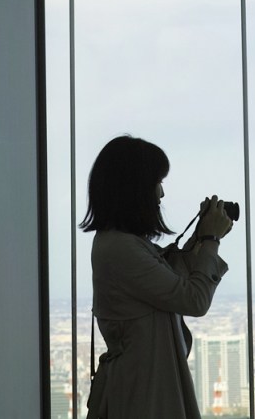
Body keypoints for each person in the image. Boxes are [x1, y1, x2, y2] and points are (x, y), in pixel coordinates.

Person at [82, 135, 235, 419]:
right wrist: (211, 239)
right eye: (157, 182)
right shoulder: (121, 248)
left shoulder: (124, 243)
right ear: (135, 188)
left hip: (142, 390)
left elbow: (171, 282)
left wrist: (198, 240)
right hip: (143, 396)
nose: (161, 194)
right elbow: (194, 299)